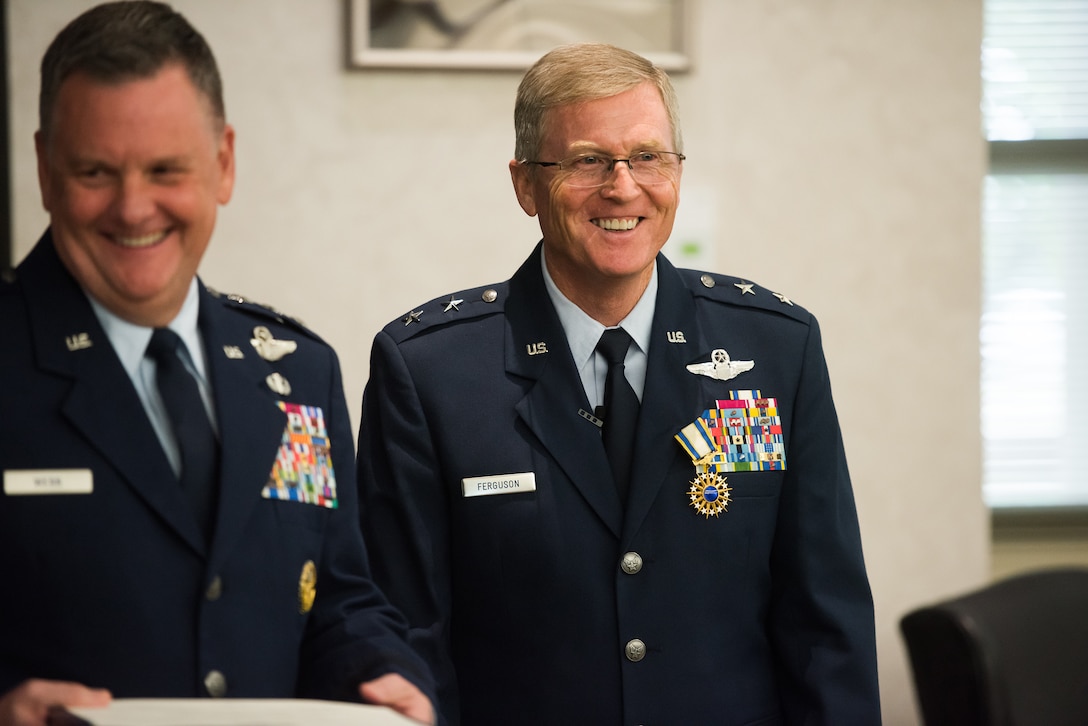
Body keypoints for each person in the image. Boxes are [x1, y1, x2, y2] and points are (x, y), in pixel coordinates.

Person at [356, 42, 881, 724]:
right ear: (525, 184)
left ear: (678, 174)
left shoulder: (777, 349)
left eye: (647, 157)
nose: (623, 187)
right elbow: (407, 638)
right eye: (586, 160)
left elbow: (826, 625)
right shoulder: (429, 373)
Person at [0, 3, 434, 724]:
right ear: (46, 170)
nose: (134, 208)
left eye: (166, 169)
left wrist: (381, 672)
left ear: (223, 164)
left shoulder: (297, 373)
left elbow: (337, 596)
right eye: (95, 172)